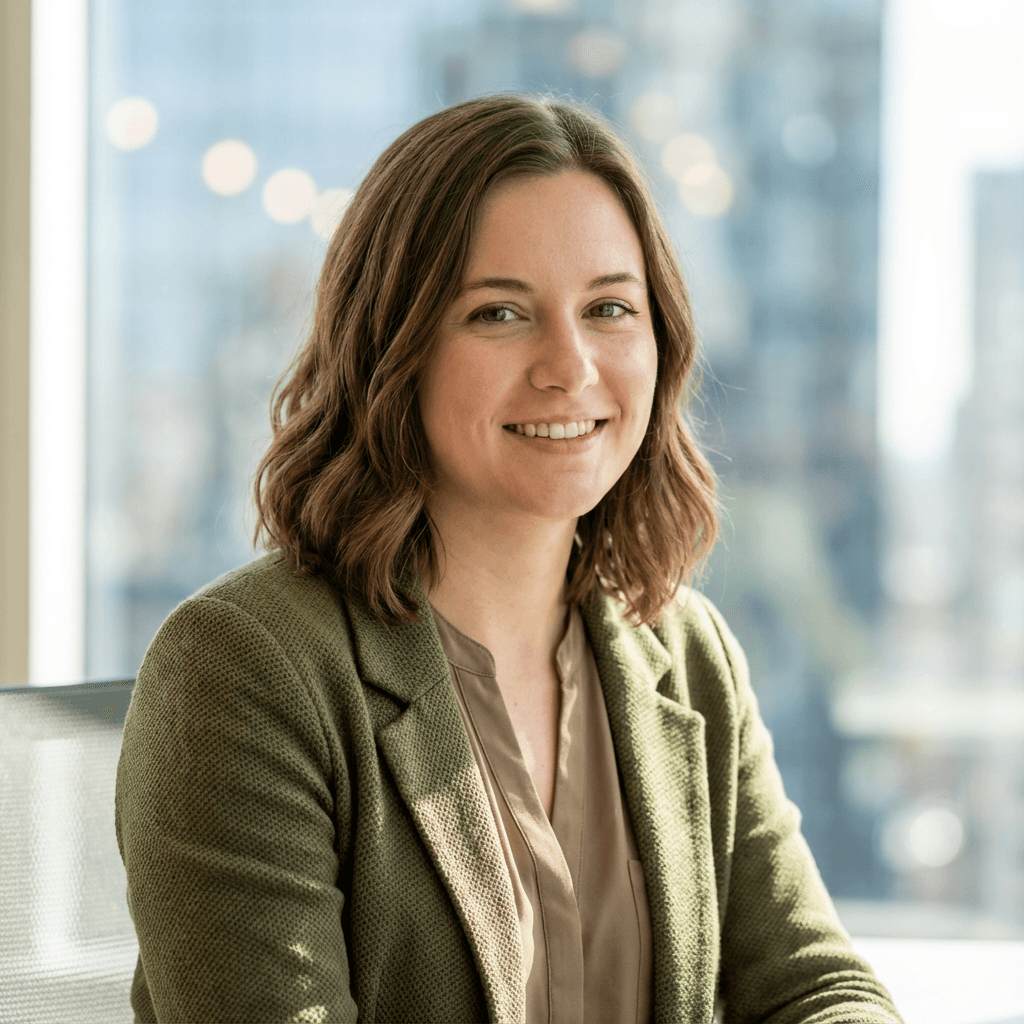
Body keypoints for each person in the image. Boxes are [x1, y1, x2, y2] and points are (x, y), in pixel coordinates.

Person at [115, 94, 902, 1024]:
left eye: (610, 306)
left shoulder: (687, 654)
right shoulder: (244, 668)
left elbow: (817, 985)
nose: (570, 365)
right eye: (499, 313)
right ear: (393, 348)